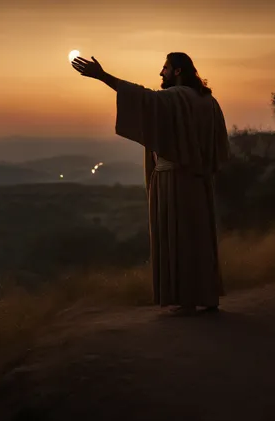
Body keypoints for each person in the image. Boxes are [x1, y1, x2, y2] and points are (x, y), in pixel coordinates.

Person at [72, 52, 230, 316]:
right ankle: (208, 295)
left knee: (178, 236)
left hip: (175, 180)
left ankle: (187, 299)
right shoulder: (209, 101)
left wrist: (102, 76)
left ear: (178, 71)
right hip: (200, 182)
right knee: (199, 236)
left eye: (165, 68)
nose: (161, 73)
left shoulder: (178, 97)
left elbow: (143, 98)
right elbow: (219, 145)